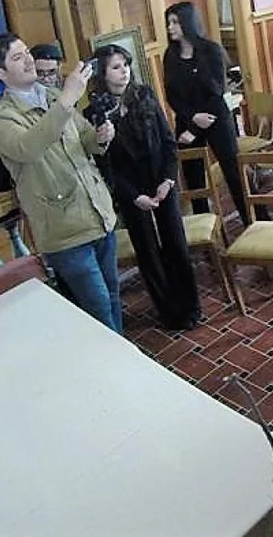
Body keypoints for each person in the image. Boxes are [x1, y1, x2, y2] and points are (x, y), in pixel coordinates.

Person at [0, 33, 122, 331]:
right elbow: (29, 147)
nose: (29, 60)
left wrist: (100, 138)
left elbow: (84, 137)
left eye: (26, 52)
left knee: (112, 296)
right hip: (64, 229)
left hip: (97, 212)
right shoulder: (0, 120)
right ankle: (118, 370)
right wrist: (68, 97)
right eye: (17, 57)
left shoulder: (50, 97)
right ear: (0, 74)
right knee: (96, 309)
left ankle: (125, 361)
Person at [89, 44, 202, 331]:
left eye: (125, 64)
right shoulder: (94, 112)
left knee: (176, 244)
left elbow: (167, 141)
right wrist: (133, 196)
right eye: (115, 66)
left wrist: (167, 180)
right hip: (131, 191)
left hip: (161, 181)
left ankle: (191, 307)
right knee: (149, 253)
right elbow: (105, 167)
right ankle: (170, 313)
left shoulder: (145, 95)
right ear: (103, 73)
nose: (124, 70)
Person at [162, 1, 264, 222]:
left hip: (215, 115)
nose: (170, 28)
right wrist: (192, 121)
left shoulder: (211, 50)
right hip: (188, 120)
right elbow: (172, 96)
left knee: (234, 171)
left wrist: (197, 121)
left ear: (187, 23)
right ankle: (205, 230)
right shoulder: (170, 55)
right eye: (168, 22)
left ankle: (257, 220)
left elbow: (217, 89)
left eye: (175, 22)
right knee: (193, 177)